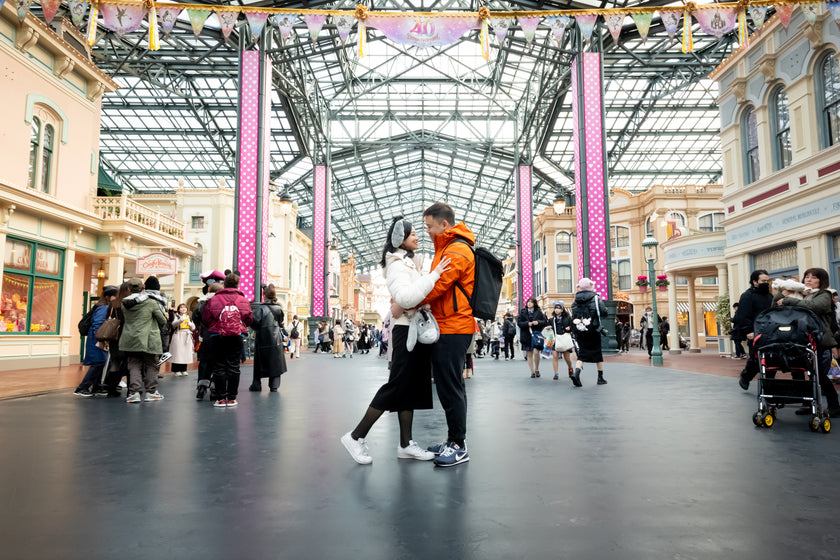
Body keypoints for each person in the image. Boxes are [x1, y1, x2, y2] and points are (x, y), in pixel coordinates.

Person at [341, 217, 450, 465]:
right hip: (405, 331)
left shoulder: (406, 262)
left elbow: (407, 299)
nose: (417, 237)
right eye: (412, 234)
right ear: (400, 238)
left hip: (412, 327)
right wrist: (433, 275)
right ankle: (356, 436)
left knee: (408, 387)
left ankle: (405, 444)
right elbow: (406, 296)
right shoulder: (397, 264)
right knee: (397, 385)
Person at [401, 202, 475, 467]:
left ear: (444, 224)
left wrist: (405, 301)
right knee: (448, 385)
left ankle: (458, 445)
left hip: (454, 327)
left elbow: (436, 286)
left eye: (430, 226)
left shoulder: (456, 250)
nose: (428, 231)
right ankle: (453, 439)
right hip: (449, 325)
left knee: (451, 387)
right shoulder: (448, 248)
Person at [773, 268, 840, 417]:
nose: (808, 280)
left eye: (814, 277)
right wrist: (782, 294)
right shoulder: (801, 293)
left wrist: (789, 300)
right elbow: (774, 307)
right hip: (797, 337)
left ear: (821, 281)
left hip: (817, 338)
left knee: (818, 374)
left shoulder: (825, 294)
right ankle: (807, 403)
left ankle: (834, 405)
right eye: (807, 277)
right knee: (797, 371)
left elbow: (815, 307)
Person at [202, 273, 253, 407]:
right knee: (234, 366)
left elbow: (206, 319)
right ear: (237, 284)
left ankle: (220, 397)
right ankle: (231, 397)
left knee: (219, 366)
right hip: (236, 335)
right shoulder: (243, 300)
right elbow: (249, 319)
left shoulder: (214, 299)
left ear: (224, 285)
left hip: (217, 336)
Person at [120, 278, 167, 403]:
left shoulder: (124, 303)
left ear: (129, 289)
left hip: (130, 338)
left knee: (134, 365)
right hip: (149, 339)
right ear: (143, 288)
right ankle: (151, 392)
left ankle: (134, 392)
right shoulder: (151, 302)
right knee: (151, 364)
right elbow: (163, 320)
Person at [74, 286, 118, 397]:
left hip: (97, 338)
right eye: (115, 296)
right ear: (109, 297)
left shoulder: (104, 306)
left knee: (101, 362)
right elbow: (97, 324)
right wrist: (101, 338)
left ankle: (96, 386)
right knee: (98, 362)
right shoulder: (104, 307)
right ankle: (82, 387)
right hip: (97, 339)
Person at [735, 270, 773, 390]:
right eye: (763, 281)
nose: (766, 283)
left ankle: (769, 386)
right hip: (754, 333)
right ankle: (746, 376)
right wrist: (748, 331)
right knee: (756, 359)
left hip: (770, 332)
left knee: (771, 360)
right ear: (755, 281)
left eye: (767, 281)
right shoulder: (747, 296)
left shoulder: (769, 296)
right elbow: (743, 315)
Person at [570, 278, 609, 387]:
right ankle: (600, 377)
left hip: (580, 329)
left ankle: (577, 373)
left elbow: (574, 313)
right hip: (593, 329)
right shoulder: (595, 298)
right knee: (597, 352)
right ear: (591, 286)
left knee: (582, 353)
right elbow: (604, 312)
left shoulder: (576, 300)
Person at [249, 284, 287, 392]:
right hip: (276, 339)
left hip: (262, 339)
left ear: (264, 295)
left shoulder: (261, 308)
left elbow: (254, 323)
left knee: (259, 362)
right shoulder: (279, 308)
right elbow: (280, 322)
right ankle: (274, 385)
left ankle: (257, 384)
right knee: (275, 362)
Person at [517, 297, 547, 378]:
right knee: (529, 354)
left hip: (536, 335)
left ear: (534, 304)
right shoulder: (523, 312)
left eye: (531, 302)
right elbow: (519, 323)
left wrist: (537, 322)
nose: (529, 303)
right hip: (526, 335)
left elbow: (544, 322)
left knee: (536, 352)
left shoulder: (539, 312)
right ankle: (532, 371)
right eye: (528, 302)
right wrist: (527, 323)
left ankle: (537, 369)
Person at [548, 302, 574, 380]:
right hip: (555, 339)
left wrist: (569, 328)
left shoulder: (568, 318)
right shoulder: (551, 320)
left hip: (564, 339)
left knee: (567, 358)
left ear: (562, 310)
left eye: (559, 308)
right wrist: (548, 327)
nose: (557, 310)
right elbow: (547, 328)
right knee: (555, 357)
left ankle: (570, 368)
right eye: (555, 308)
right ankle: (556, 374)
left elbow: (573, 327)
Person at [169, 303, 195, 376]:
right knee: (177, 353)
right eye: (181, 308)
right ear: (178, 309)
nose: (183, 309)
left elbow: (193, 328)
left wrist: (189, 323)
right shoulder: (176, 316)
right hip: (178, 335)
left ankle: (184, 369)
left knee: (185, 353)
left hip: (186, 335)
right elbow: (173, 325)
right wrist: (180, 320)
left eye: (185, 307)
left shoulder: (189, 317)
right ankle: (176, 370)